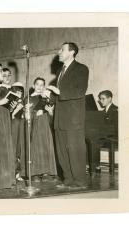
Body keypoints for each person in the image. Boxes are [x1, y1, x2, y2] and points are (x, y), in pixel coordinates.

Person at [54, 42, 89, 189]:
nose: (59, 52)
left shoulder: (81, 69)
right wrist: (48, 96)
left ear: (72, 52)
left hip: (73, 118)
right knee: (62, 151)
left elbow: (79, 91)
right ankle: (68, 179)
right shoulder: (60, 71)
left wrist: (58, 93)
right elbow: (58, 95)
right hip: (60, 117)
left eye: (62, 50)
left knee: (75, 149)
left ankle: (80, 181)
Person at [25, 78, 57, 182]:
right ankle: (35, 173)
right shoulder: (29, 98)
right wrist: (34, 113)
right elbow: (25, 116)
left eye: (42, 85)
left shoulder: (46, 98)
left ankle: (46, 172)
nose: (40, 87)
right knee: (35, 147)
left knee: (46, 146)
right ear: (33, 86)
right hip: (34, 126)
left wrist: (50, 112)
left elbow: (51, 115)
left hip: (45, 125)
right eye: (37, 84)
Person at [87, 90, 118, 174]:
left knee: (94, 140)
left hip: (114, 136)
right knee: (90, 139)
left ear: (110, 99)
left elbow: (115, 127)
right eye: (100, 99)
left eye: (103, 99)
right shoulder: (103, 111)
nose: (101, 101)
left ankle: (95, 166)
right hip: (106, 134)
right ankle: (94, 165)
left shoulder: (115, 110)